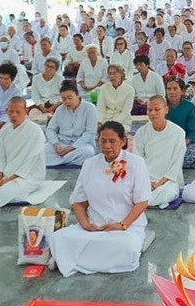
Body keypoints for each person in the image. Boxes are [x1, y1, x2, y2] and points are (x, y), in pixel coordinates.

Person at [50, 122, 153, 276]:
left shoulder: (136, 163)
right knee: (57, 237)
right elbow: (79, 201)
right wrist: (85, 224)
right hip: (94, 225)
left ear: (123, 141)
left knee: (127, 248)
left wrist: (122, 225)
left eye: (112, 141)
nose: (107, 146)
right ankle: (77, 258)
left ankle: (71, 259)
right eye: (103, 141)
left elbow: (142, 202)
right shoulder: (90, 164)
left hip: (125, 228)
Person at [132, 95, 187, 207]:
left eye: (157, 109)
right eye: (150, 110)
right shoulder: (141, 132)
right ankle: (142, 200)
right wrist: (146, 182)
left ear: (166, 110)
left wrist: (159, 184)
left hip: (168, 181)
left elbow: (176, 164)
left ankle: (142, 202)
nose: (152, 113)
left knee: (166, 193)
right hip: (145, 178)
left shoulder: (178, 133)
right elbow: (137, 160)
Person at [45, 81, 99, 168]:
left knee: (88, 153)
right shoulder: (60, 110)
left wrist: (71, 148)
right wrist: (56, 144)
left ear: (78, 96)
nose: (67, 101)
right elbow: (50, 129)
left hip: (81, 145)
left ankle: (60, 161)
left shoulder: (90, 108)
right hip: (62, 143)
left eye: (70, 98)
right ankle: (69, 160)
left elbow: (90, 133)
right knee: (42, 152)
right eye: (64, 99)